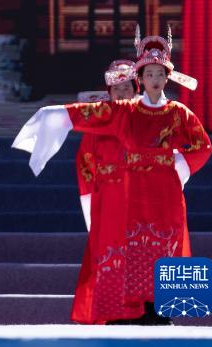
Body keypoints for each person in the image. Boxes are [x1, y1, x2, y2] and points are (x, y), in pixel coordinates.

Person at [14, 27, 212, 325]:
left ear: (166, 77)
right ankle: (128, 309)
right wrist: (58, 114)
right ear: (141, 78)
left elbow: (203, 146)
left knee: (166, 243)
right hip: (132, 190)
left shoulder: (179, 112)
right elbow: (90, 114)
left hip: (165, 189)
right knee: (132, 247)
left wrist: (178, 163)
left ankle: (164, 309)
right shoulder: (125, 112)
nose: (154, 79)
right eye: (149, 74)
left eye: (159, 74)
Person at [69, 59, 137, 324]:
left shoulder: (149, 116)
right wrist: (90, 197)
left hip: (142, 195)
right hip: (109, 197)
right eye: (116, 88)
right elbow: (85, 161)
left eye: (127, 87)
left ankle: (143, 310)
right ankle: (110, 311)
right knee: (110, 251)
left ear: (136, 89)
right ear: (108, 92)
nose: (122, 92)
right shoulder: (98, 122)